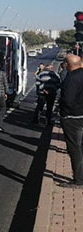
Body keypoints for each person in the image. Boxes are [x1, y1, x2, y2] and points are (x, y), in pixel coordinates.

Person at [58, 54, 83, 188]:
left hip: (72, 118)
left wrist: (63, 114)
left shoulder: (71, 78)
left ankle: (79, 180)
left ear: (68, 65)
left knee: (74, 148)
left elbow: (67, 100)